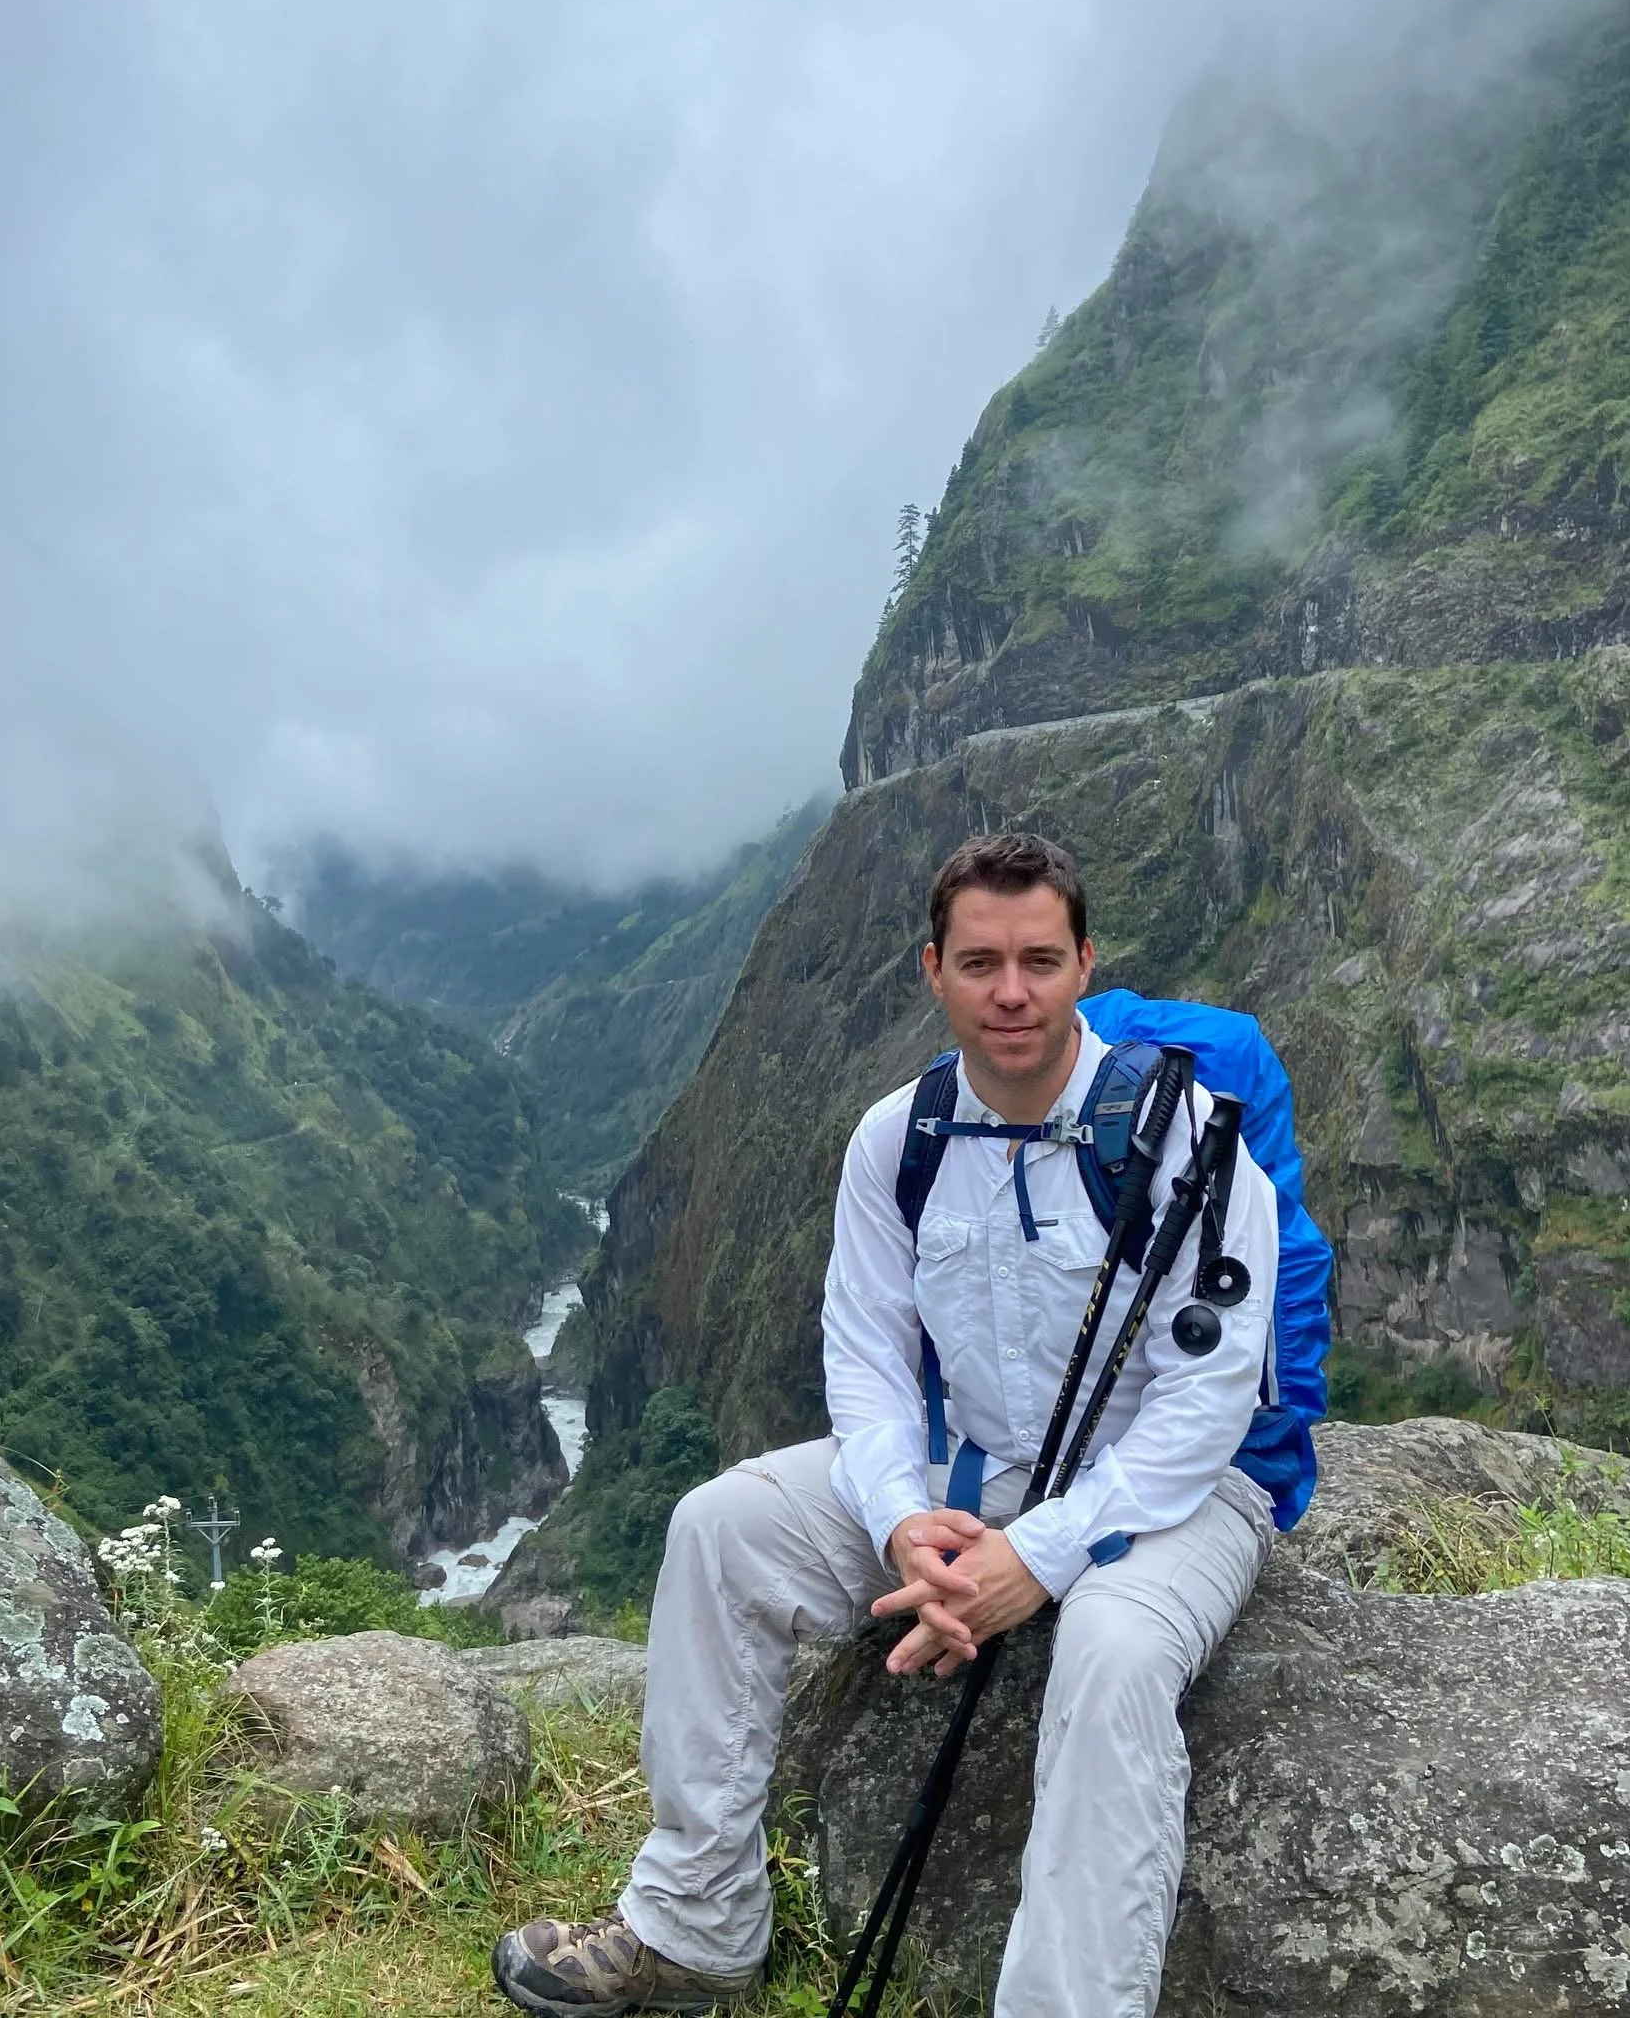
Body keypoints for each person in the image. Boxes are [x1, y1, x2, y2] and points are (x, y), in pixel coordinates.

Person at [494, 832, 1281, 2018]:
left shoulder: (1192, 1144)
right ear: (933, 969)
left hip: (1168, 1499)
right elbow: (861, 1359)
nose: (1008, 992)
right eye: (978, 962)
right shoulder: (896, 1139)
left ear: (1082, 963)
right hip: (967, 1478)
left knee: (1112, 1656)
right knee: (717, 1528)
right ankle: (694, 1928)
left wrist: (1038, 1557)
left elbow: (1208, 1399)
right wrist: (905, 1518)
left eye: (1036, 959)